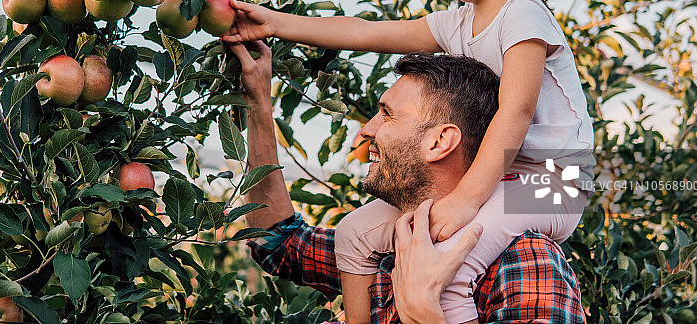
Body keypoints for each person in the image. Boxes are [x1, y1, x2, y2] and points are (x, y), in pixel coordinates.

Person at [222, 0, 595, 323]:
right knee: (356, 233)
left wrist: (464, 200)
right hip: (501, 175)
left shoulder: (523, 17)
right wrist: (274, 23)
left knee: (452, 263)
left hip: (552, 184)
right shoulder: (459, 22)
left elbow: (515, 113)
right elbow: (365, 32)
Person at [229, 39, 585, 323]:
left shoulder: (524, 262)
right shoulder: (383, 250)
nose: (367, 130)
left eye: (387, 115)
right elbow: (278, 244)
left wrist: (426, 316)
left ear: (439, 142)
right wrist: (258, 102)